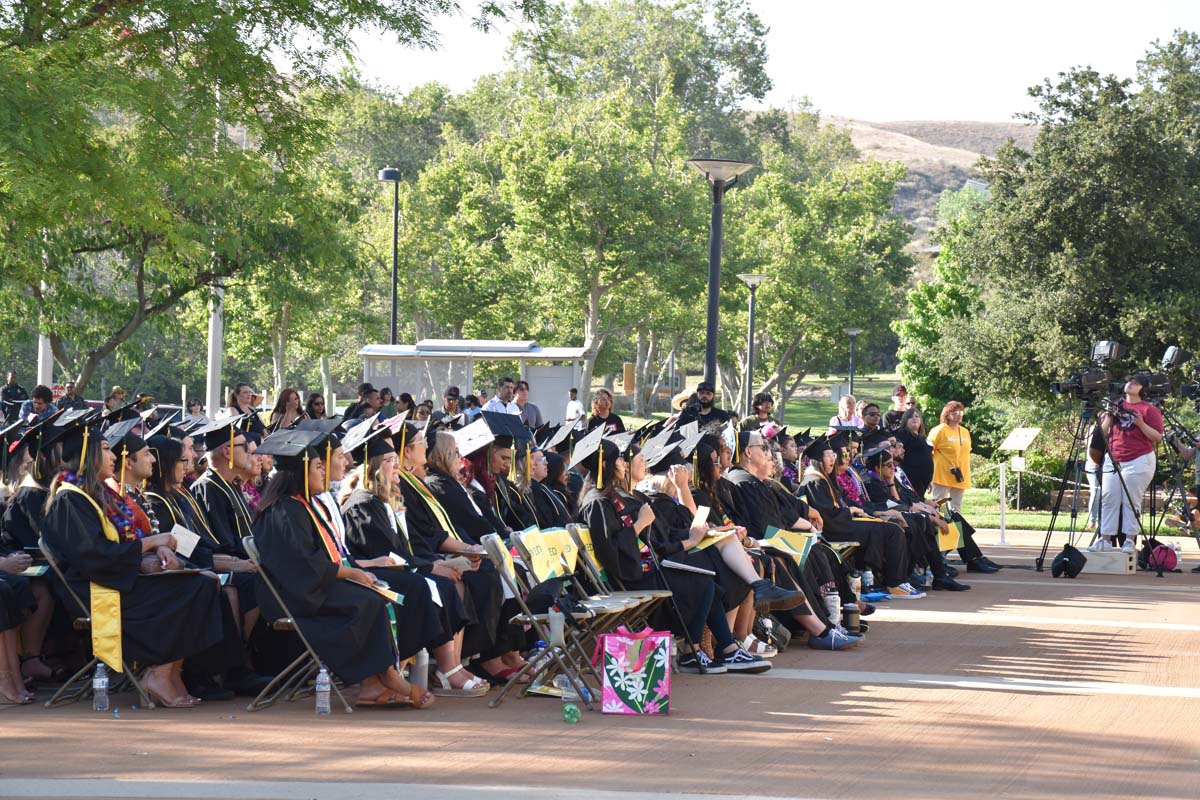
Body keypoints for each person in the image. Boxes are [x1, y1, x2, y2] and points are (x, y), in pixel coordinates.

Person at [41, 411, 230, 707]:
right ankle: (159, 673)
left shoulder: (97, 495)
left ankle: (169, 673)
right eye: (106, 449)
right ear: (88, 455)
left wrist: (154, 551)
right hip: (97, 590)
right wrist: (152, 544)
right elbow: (96, 555)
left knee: (204, 582)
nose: (113, 456)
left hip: (118, 579)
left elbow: (124, 542)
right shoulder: (70, 499)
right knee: (196, 588)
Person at [252, 429, 435, 708]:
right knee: (367, 602)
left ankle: (376, 681)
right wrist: (352, 573)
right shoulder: (284, 511)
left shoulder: (302, 505)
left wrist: (355, 573)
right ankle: (382, 678)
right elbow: (305, 564)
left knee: (376, 596)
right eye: (317, 466)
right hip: (293, 595)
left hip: (311, 587)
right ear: (301, 472)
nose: (322, 471)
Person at [340, 422, 487, 698]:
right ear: (373, 468)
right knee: (431, 585)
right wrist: (431, 566)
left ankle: (450, 667)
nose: (397, 465)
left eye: (395, 459)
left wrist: (445, 563)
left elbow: (400, 553)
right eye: (389, 461)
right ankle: (441, 670)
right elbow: (386, 556)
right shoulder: (362, 505)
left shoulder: (382, 500)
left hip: (394, 569)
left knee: (449, 580)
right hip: (372, 576)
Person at [393, 421, 524, 691]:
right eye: (421, 443)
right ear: (407, 451)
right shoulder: (417, 485)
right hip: (419, 557)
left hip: (431, 552)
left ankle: (470, 660)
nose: (459, 457)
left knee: (494, 570)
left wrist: (470, 549)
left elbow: (438, 530)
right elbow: (426, 535)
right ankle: (466, 661)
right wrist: (464, 550)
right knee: (469, 577)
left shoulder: (420, 484)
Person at [1091, 375, 1164, 554]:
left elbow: (1157, 437)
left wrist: (1141, 424)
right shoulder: (1115, 405)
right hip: (1114, 458)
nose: (1130, 384)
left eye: (1136, 383)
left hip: (1139, 459)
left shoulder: (1149, 409)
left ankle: (1129, 540)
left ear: (1143, 389)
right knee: (1108, 499)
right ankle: (1105, 540)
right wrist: (1109, 417)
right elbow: (1102, 434)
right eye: (1130, 381)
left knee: (1130, 501)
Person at [927, 401, 973, 512]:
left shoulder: (965, 432)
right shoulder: (939, 430)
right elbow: (927, 451)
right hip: (942, 476)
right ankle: (938, 524)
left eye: (960, 412)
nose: (959, 414)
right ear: (947, 414)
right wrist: (927, 474)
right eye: (955, 412)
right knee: (939, 507)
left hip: (960, 476)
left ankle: (955, 524)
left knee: (956, 509)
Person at [894, 407, 933, 498]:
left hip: (922, 481)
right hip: (909, 478)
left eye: (917, 416)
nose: (914, 418)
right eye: (910, 417)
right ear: (905, 420)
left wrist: (928, 479)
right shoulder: (903, 434)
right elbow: (897, 453)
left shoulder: (922, 437)